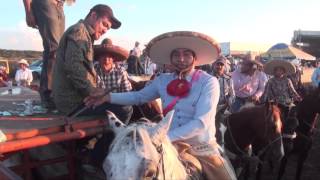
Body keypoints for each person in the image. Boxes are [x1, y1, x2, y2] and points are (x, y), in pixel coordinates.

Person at [85, 31, 236, 180]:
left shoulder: (209, 82)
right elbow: (139, 96)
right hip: (166, 144)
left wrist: (158, 139)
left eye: (186, 54)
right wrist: (107, 97)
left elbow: (200, 124)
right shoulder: (162, 79)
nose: (181, 59)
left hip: (200, 147)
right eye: (176, 55)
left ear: (195, 57)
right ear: (170, 58)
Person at [52, 4, 122, 116]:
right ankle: (110, 134)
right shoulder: (80, 31)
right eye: (104, 25)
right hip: (74, 103)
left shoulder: (85, 34)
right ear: (93, 16)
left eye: (108, 28)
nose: (105, 30)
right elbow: (73, 66)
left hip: (75, 99)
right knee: (126, 108)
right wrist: (92, 92)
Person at [22, 0, 74, 108]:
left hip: (60, 5)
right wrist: (28, 12)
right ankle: (47, 94)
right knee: (53, 49)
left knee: (59, 50)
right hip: (45, 3)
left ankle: (54, 92)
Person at [93, 38, 133, 123]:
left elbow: (127, 93)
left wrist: (113, 98)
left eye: (109, 56)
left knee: (128, 109)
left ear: (113, 58)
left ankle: (122, 131)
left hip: (116, 103)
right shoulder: (93, 70)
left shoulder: (121, 71)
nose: (106, 58)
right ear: (98, 57)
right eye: (103, 55)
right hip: (98, 105)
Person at [212, 56, 235, 144]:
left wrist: (229, 102)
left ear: (224, 66)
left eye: (221, 65)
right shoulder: (207, 78)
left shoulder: (229, 79)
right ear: (214, 65)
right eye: (217, 64)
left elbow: (232, 95)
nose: (219, 67)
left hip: (223, 108)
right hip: (210, 108)